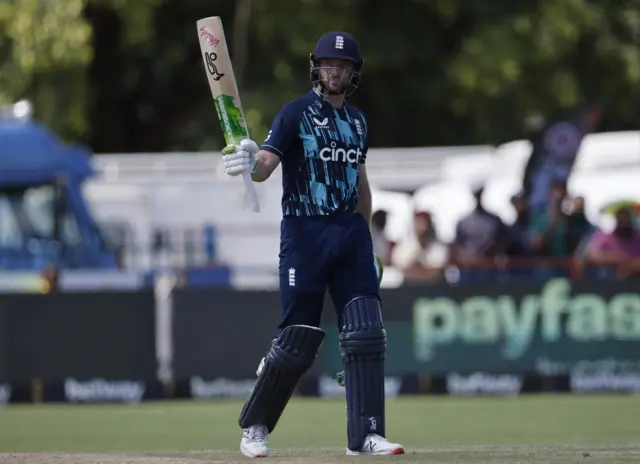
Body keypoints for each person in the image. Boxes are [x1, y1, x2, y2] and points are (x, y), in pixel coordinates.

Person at [220, 31, 404, 458]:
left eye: (342, 65)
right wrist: (248, 159)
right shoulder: (295, 114)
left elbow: (360, 182)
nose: (334, 71)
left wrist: (367, 240)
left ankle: (366, 435)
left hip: (351, 237)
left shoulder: (358, 122)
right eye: (327, 64)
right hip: (305, 234)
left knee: (367, 333)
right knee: (297, 338)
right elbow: (265, 167)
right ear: (316, 67)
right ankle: (256, 425)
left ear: (353, 72)